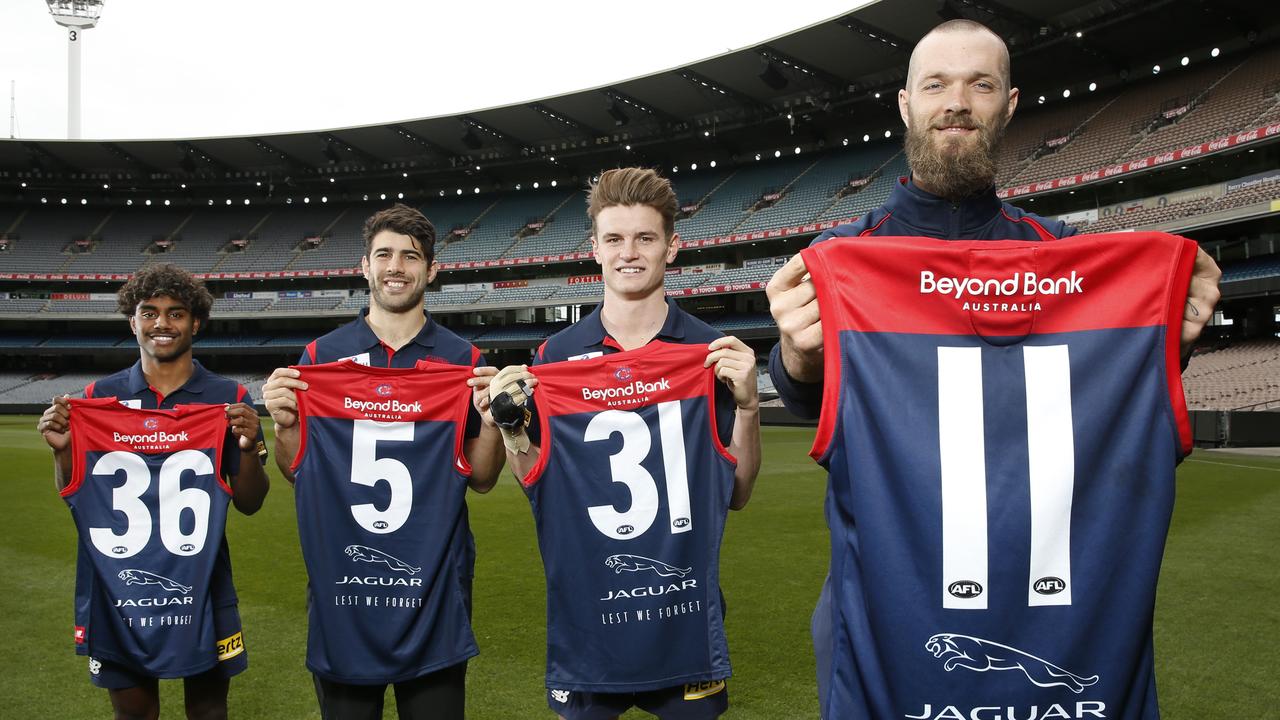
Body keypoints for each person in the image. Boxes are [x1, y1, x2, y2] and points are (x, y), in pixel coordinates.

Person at [763, 19, 1223, 719]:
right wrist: (798, 358)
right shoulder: (843, 259)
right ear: (905, 105)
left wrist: (1167, 343)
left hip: (1058, 614)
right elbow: (812, 403)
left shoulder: (1069, 258)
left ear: (1008, 106)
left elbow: (1112, 408)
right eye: (936, 84)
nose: (957, 102)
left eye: (981, 84)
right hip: (887, 606)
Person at [490, 167, 762, 720]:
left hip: (683, 617)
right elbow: (539, 487)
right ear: (595, 249)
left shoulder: (709, 352)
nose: (628, 252)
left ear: (672, 247)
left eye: (645, 237)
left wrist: (751, 407)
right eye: (614, 238)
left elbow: (736, 491)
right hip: (590, 618)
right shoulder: (554, 359)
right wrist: (510, 427)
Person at [260, 203, 505, 720]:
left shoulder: (464, 361)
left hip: (436, 588)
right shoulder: (320, 357)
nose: (396, 266)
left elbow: (482, 478)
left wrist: (492, 420)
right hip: (343, 588)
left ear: (431, 270)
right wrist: (286, 426)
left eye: (410, 256)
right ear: (365, 266)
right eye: (384, 254)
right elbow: (295, 470)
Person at [37, 263, 269, 720]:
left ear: (195, 322)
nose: (162, 323)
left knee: (208, 713)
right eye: (149, 312)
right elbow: (75, 494)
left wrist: (249, 444)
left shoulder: (226, 395)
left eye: (176, 313)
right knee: (134, 715)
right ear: (132, 320)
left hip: (200, 583)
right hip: (115, 586)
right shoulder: (96, 397)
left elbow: (250, 501)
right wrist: (62, 451)